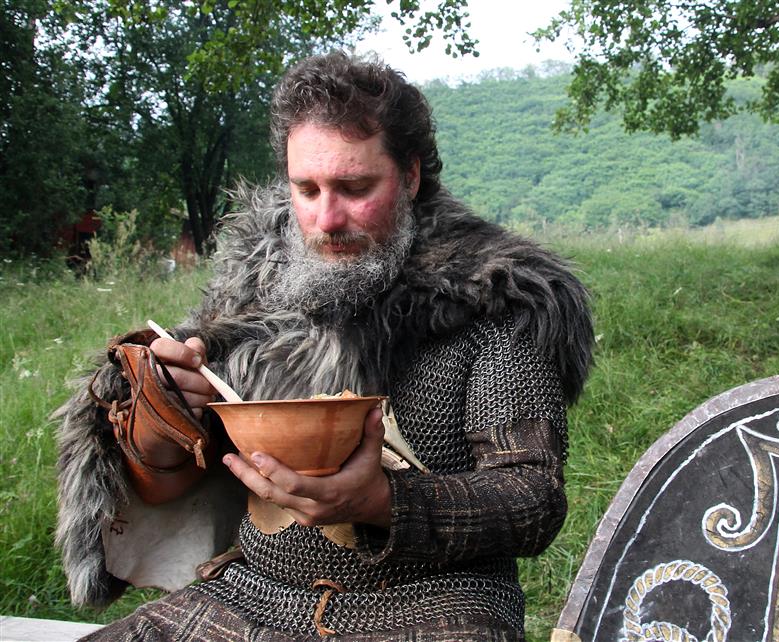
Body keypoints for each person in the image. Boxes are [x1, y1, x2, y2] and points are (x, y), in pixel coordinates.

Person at [56, 51, 593, 641]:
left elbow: (532, 500)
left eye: (354, 187)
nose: (326, 219)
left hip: (436, 603)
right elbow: (178, 483)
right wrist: (166, 419)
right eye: (306, 189)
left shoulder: (493, 296)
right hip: (253, 595)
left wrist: (384, 501)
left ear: (411, 176)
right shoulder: (253, 292)